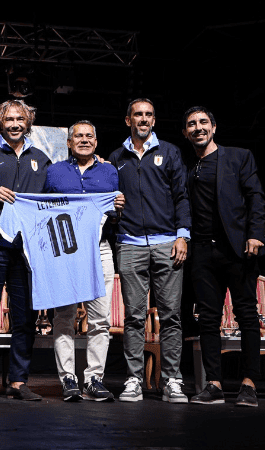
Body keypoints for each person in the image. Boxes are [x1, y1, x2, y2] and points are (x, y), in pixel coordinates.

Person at [182, 107, 265, 407]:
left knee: (246, 316)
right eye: (191, 124)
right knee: (207, 319)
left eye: (203, 122)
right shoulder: (190, 168)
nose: (198, 128)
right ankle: (214, 384)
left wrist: (256, 233)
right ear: (185, 133)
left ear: (214, 127)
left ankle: (249, 384)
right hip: (203, 252)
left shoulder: (238, 156)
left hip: (237, 249)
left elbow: (256, 196)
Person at [107, 98, 190, 403]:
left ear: (154, 120)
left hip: (167, 243)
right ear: (128, 120)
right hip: (129, 244)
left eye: (148, 115)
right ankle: (133, 379)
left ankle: (171, 381)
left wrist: (182, 237)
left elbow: (182, 196)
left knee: (171, 316)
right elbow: (108, 203)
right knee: (134, 317)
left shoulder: (169, 152)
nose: (143, 119)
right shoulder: (116, 157)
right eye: (137, 115)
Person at [0, 99, 50, 401]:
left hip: (27, 250)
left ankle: (18, 380)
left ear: (29, 123)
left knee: (24, 317)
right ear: (0, 123)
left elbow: (54, 200)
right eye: (10, 119)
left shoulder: (41, 159)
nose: (15, 124)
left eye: (21, 119)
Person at [43, 121, 124, 401]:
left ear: (96, 142)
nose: (84, 140)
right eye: (78, 136)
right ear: (68, 142)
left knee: (100, 319)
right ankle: (68, 379)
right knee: (63, 317)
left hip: (98, 249)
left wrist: (118, 208)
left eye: (90, 135)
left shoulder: (109, 171)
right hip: (64, 252)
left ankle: (94, 379)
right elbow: (43, 211)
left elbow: (115, 211)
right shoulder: (54, 172)